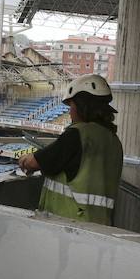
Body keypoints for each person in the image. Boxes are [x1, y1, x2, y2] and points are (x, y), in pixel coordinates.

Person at [18, 74, 123, 225]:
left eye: (72, 106)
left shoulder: (78, 134)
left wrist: (24, 160)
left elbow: (35, 162)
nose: (69, 112)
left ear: (82, 107)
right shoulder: (114, 141)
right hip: (100, 225)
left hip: (69, 223)